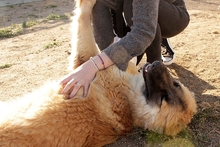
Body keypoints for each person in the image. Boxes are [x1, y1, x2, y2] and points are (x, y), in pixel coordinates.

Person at [60, 0, 190, 98]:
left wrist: (93, 65)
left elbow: (143, 32)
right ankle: (154, 34)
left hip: (173, 14)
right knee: (122, 61)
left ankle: (156, 62)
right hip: (130, 15)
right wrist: (112, 69)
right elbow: (103, 36)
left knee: (132, 8)